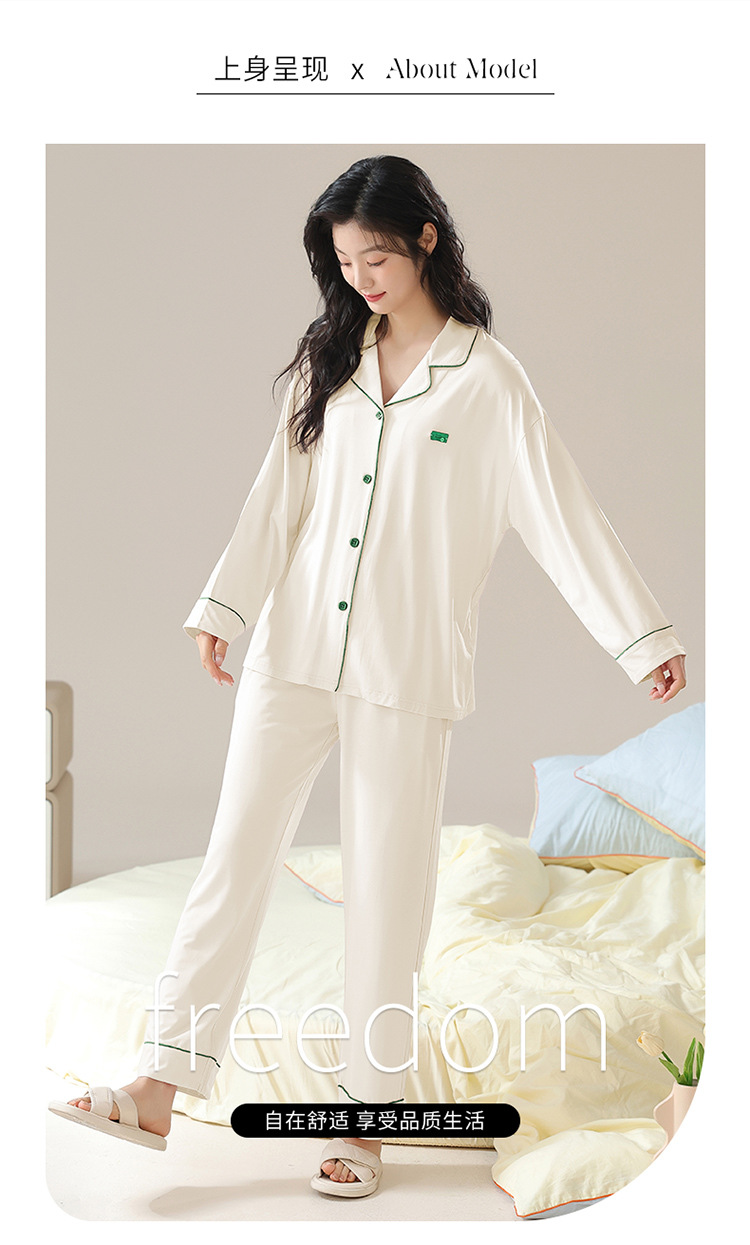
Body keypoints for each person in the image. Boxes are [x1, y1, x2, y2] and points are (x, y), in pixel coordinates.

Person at [49, 154, 687, 1198]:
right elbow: (278, 495)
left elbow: (562, 514)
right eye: (346, 263)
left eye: (377, 258)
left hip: (407, 667)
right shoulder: (331, 358)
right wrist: (226, 606)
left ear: (427, 239)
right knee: (233, 857)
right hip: (296, 645)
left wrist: (641, 638)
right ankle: (160, 1084)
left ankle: (366, 1119)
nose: (362, 280)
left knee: (388, 894)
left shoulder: (488, 379)